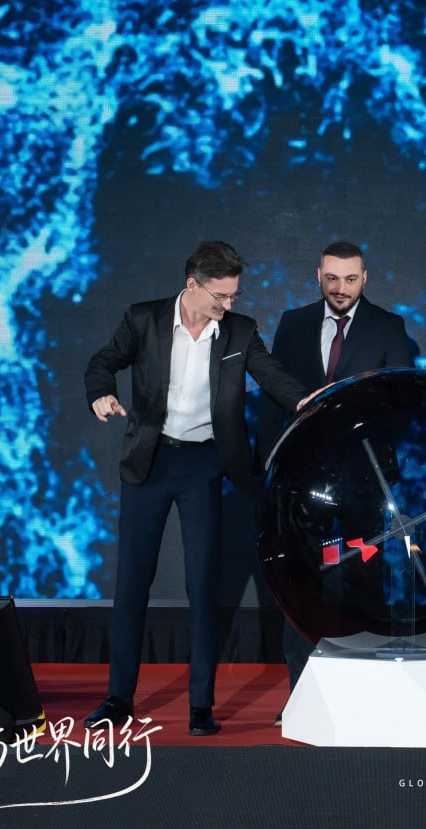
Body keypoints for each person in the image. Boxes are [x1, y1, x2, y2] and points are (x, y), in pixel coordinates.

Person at [84, 240, 311, 736]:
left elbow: (272, 376)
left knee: (203, 584)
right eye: (220, 296)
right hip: (150, 461)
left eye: (233, 296)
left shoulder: (239, 331)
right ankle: (118, 698)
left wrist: (307, 401)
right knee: (132, 583)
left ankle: (200, 705)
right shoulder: (143, 319)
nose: (228, 305)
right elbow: (103, 362)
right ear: (192, 285)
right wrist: (100, 393)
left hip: (204, 464)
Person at [257, 240, 416, 718]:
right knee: (302, 583)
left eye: (349, 279)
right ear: (318, 276)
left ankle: (362, 698)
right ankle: (302, 700)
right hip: (302, 482)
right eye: (331, 278)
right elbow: (274, 401)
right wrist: (271, 465)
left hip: (364, 484)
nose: (340, 288)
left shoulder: (389, 327)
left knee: (363, 583)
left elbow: (402, 404)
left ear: (364, 278)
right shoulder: (293, 323)